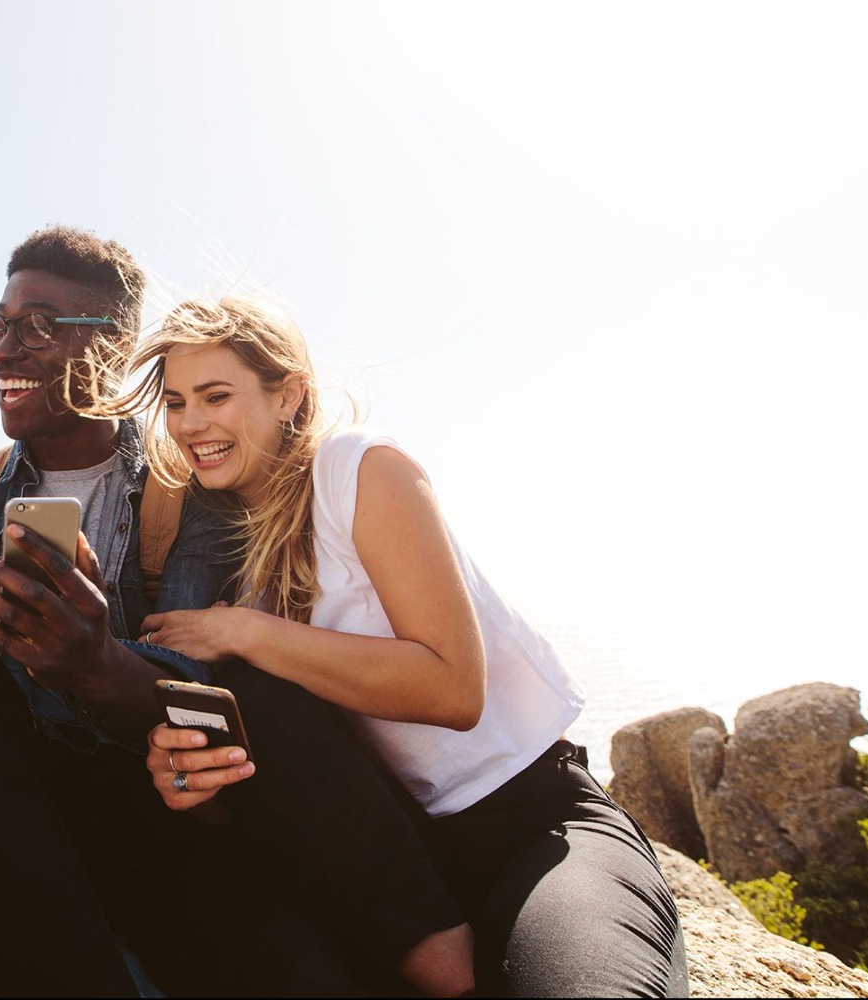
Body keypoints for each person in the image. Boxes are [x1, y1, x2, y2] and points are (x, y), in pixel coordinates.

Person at [0, 226, 472, 997]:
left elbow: (198, 681)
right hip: (17, 804)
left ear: (114, 345)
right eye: (0, 326)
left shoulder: (190, 483)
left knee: (293, 971)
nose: (4, 350)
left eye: (38, 327)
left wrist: (93, 658)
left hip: (163, 798)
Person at [130, 297, 688, 997]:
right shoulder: (237, 566)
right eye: (177, 402)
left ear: (289, 395)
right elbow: (290, 766)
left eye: (216, 396)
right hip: (399, 864)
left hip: (535, 822)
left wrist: (248, 632)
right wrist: (191, 780)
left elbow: (453, 689)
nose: (191, 424)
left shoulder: (358, 468)